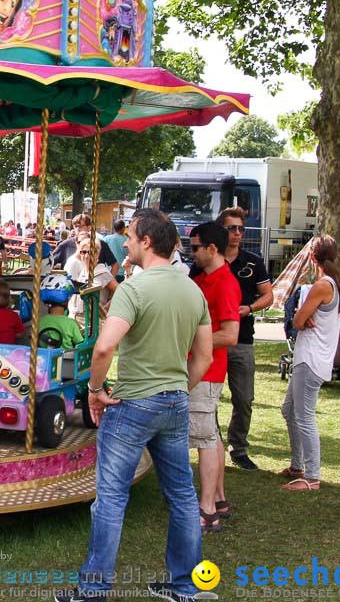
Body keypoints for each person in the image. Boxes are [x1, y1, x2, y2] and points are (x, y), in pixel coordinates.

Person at [68, 209, 212, 602]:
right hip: (175, 403)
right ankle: (185, 586)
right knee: (182, 496)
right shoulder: (192, 290)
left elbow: (103, 345)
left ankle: (93, 590)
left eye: (130, 236)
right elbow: (204, 357)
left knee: (111, 498)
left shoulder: (134, 288)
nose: (125, 242)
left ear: (146, 241)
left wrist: (95, 389)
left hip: (133, 403)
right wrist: (178, 387)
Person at [208, 207, 273, 472]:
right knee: (209, 395)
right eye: (231, 228)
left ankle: (239, 449)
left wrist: (250, 308)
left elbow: (269, 295)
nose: (236, 233)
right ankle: (213, 444)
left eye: (240, 228)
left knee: (244, 398)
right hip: (212, 339)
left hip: (242, 339)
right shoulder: (210, 259)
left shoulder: (253, 262)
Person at [280, 235, 340, 491]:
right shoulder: (332, 283)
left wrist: (302, 316)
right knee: (289, 411)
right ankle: (297, 465)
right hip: (308, 358)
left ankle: (312, 476)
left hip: (311, 359)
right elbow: (302, 318)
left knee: (304, 416)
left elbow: (297, 321)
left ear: (311, 257)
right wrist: (303, 316)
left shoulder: (322, 285)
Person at [187, 222, 240, 533]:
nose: (191, 253)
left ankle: (207, 510)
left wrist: (191, 340)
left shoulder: (224, 283)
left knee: (204, 438)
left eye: (195, 247)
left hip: (207, 371)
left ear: (212, 249)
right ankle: (217, 499)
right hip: (203, 368)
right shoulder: (205, 279)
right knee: (211, 435)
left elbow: (230, 335)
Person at [64, 238, 117, 331]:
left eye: (91, 252)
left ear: (97, 254)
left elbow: (120, 291)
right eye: (83, 252)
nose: (87, 255)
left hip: (89, 322)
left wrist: (105, 308)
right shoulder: (83, 271)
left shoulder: (102, 272)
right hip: (74, 318)